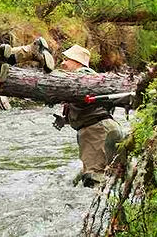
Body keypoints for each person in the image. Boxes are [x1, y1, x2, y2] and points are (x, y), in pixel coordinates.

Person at [51, 44, 126, 187]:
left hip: (97, 132)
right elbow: (87, 107)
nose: (63, 63)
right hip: (102, 129)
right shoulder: (85, 81)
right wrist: (66, 120)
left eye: (67, 59)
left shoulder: (83, 75)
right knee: (109, 176)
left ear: (77, 61)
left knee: (94, 178)